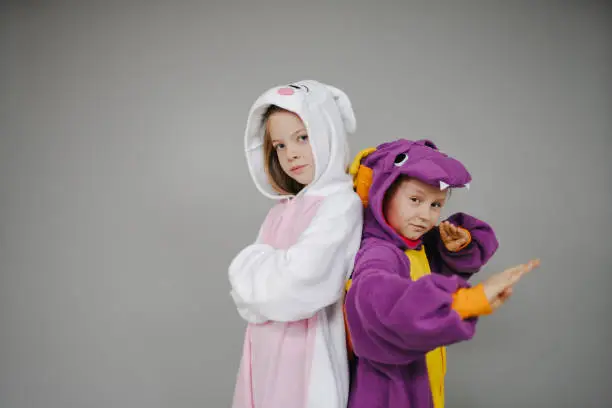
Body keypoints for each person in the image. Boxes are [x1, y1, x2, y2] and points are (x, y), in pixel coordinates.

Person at [344, 138, 540, 408]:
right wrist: (466, 302)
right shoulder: (378, 253)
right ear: (382, 192)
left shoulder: (412, 246)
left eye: (436, 205)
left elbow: (426, 283)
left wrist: (455, 250)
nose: (425, 215)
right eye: (415, 200)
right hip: (389, 393)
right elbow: (380, 301)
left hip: (416, 382)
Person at [228, 80, 364, 408]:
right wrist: (266, 272)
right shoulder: (283, 209)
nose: (291, 154)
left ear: (326, 131)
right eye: (280, 146)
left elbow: (300, 282)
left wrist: (254, 266)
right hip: (263, 346)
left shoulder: (340, 204)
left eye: (302, 137)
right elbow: (248, 292)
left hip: (305, 349)